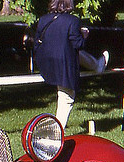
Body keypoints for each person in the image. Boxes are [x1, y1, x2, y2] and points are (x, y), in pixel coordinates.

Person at [34, 0, 93, 129]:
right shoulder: (73, 20)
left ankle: (96, 65)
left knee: (63, 94)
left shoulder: (43, 19)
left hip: (45, 61)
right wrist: (84, 36)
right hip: (62, 63)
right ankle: (56, 130)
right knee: (66, 97)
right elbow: (78, 44)